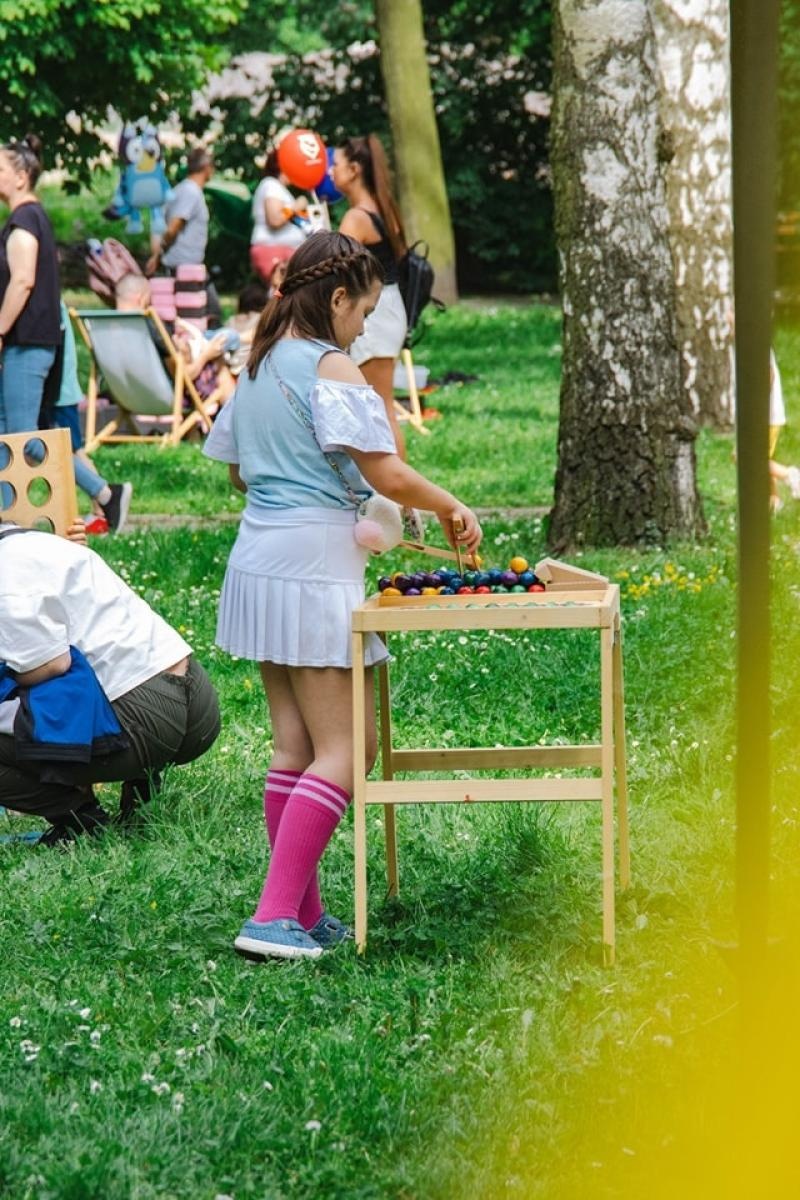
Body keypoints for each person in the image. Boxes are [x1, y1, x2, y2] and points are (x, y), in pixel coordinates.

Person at [202, 231, 482, 961]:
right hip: (311, 566)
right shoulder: (330, 366)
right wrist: (451, 504)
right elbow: (387, 473)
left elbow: (236, 473)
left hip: (258, 559)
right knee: (348, 751)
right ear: (334, 299)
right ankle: (270, 917)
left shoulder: (258, 363)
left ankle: (303, 913)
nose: (364, 329)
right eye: (363, 313)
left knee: (296, 746)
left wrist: (314, 480)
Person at [0, 517, 220, 845]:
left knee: (38, 692)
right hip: (199, 705)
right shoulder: (46, 545)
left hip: (149, 717)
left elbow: (51, 664)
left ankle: (81, 823)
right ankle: (143, 796)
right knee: (99, 673)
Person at [331, 134, 409, 456]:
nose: (330, 173)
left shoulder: (356, 218)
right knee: (378, 408)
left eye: (334, 166)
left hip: (375, 316)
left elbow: (332, 269)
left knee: (380, 409)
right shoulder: (383, 208)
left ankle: (402, 497)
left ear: (353, 170)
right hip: (390, 308)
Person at [50, 301, 133, 533]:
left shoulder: (50, 302)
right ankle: (104, 505)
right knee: (71, 450)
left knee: (71, 451)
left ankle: (105, 505)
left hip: (60, 394)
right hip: (61, 391)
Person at [0, 135, 61, 440]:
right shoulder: (32, 216)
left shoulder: (24, 219)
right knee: (7, 433)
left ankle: (103, 490)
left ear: (21, 178)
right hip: (26, 341)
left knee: (22, 436)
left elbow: (23, 280)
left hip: (27, 342)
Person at [115, 273, 236, 406]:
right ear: (141, 298)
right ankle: (235, 422)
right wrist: (207, 355)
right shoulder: (148, 327)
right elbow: (183, 378)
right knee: (219, 364)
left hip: (124, 397)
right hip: (161, 398)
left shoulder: (103, 328)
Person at [144, 147, 220, 322]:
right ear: (207, 167)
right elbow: (173, 227)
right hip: (185, 268)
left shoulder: (180, 190)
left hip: (187, 266)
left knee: (204, 315)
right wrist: (158, 255)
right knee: (206, 316)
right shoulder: (190, 192)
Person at [250, 149, 310, 288]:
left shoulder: (276, 187)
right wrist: (296, 206)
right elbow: (275, 220)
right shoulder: (271, 184)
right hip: (274, 250)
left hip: (279, 249)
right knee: (279, 296)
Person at [769, 349, 800, 512]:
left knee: (746, 457)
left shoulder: (754, 343)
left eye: (732, 321)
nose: (728, 322)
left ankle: (792, 476)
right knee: (762, 457)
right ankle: (774, 500)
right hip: (768, 416)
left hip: (765, 417)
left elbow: (768, 374)